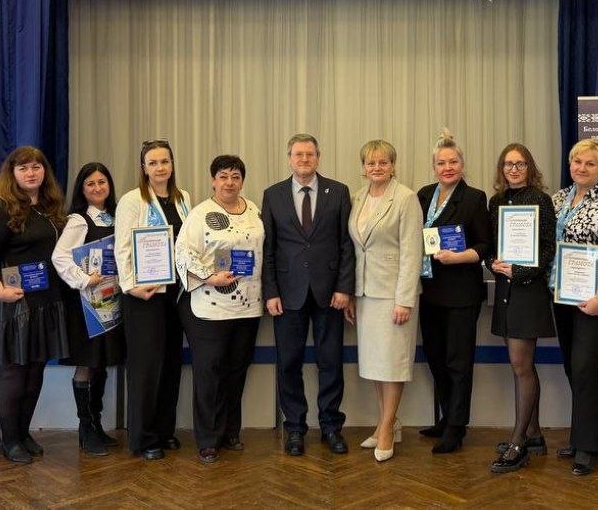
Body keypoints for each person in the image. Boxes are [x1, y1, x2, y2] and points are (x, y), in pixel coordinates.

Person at [0, 146, 69, 464]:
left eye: (36, 166)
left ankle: (23, 433)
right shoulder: (0, 208)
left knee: (34, 370)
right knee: (12, 372)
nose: (30, 173)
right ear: (12, 173)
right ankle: (9, 440)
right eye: (23, 168)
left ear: (44, 171)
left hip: (44, 302)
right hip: (10, 303)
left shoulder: (51, 208)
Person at [261, 134, 355, 457]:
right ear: (289, 158)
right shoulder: (272, 195)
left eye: (310, 154)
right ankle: (295, 429)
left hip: (330, 294)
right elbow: (268, 249)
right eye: (298, 154)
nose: (304, 160)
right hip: (287, 295)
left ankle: (331, 426)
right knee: (289, 363)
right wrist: (270, 291)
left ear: (318, 157)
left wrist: (344, 287)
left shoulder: (338, 192)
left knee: (331, 362)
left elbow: (346, 245)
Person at [547, 138, 598, 476]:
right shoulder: (557, 199)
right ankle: (594, 428)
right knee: (573, 365)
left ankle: (588, 446)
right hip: (563, 294)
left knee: (584, 367)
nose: (581, 168)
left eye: (590, 164)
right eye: (577, 161)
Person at [175, 155, 264, 463]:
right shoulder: (201, 214)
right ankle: (208, 439)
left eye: (235, 176)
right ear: (213, 180)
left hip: (248, 306)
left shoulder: (253, 210)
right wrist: (209, 276)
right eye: (223, 176)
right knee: (209, 373)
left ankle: (230, 432)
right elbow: (183, 254)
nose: (230, 182)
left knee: (236, 371)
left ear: (242, 181)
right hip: (209, 307)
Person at [114, 139, 191, 460]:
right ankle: (143, 438)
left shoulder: (183, 198)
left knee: (171, 364)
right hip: (144, 296)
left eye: (165, 161)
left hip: (176, 295)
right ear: (144, 168)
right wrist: (130, 285)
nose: (160, 168)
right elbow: (122, 247)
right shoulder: (132, 200)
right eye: (153, 162)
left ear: (172, 164)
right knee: (146, 367)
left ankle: (163, 430)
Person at [347, 139, 423, 462]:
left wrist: (404, 299)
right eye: (371, 163)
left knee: (393, 365)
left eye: (383, 162)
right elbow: (356, 250)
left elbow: (412, 252)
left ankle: (388, 427)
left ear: (393, 166)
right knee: (376, 364)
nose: (376, 168)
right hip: (366, 293)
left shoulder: (405, 198)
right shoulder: (358, 197)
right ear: (363, 168)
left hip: (393, 295)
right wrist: (352, 293)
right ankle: (385, 422)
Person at [414, 130, 489, 454]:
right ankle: (446, 417)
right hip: (428, 291)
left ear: (462, 164)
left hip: (461, 293)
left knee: (458, 362)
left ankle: (457, 427)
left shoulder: (474, 198)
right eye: (441, 163)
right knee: (436, 358)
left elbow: (485, 245)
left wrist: (459, 257)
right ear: (434, 167)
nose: (447, 167)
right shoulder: (423, 195)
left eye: (453, 162)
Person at [485, 143, 557, 473]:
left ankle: (518, 442)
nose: (514, 169)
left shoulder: (541, 200)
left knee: (520, 365)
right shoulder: (496, 201)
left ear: (530, 168)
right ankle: (534, 434)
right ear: (502, 169)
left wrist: (521, 272)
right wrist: (493, 263)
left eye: (520, 164)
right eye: (508, 164)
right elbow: (490, 245)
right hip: (505, 288)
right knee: (521, 366)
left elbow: (547, 249)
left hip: (528, 291)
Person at [52, 162, 126, 456]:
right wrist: (83, 279)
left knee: (102, 362)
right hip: (87, 307)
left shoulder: (119, 216)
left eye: (102, 182)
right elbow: (60, 257)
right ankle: (85, 427)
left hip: (112, 302)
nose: (97, 188)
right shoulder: (78, 220)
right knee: (87, 362)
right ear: (82, 190)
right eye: (90, 184)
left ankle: (96, 422)